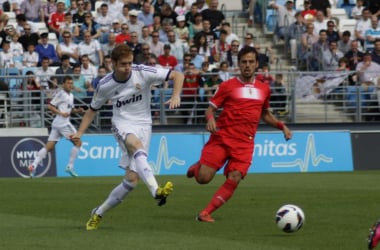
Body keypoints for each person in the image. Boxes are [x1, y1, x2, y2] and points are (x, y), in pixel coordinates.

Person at [71, 44, 184, 230]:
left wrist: (176, 95)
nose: (128, 67)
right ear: (113, 63)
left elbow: (177, 75)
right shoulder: (105, 85)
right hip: (121, 123)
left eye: (130, 63)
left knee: (131, 181)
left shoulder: (143, 72)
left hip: (144, 125)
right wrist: (79, 133)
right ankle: (156, 190)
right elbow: (92, 110)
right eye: (123, 64)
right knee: (136, 145)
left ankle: (98, 213)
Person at [186, 46, 292, 223]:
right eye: (244, 62)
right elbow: (210, 109)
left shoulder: (264, 89)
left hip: (245, 143)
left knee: (235, 177)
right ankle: (198, 167)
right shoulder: (227, 86)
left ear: (257, 64)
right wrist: (211, 118)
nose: (247, 65)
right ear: (239, 64)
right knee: (203, 179)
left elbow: (264, 113)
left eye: (251, 62)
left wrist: (282, 126)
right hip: (223, 138)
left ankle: (206, 212)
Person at [28, 75, 84, 178]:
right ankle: (70, 166)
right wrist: (61, 113)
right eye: (68, 83)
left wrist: (77, 111)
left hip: (58, 123)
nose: (70, 85)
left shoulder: (70, 96)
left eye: (72, 83)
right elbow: (50, 106)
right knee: (78, 142)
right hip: (63, 123)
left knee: (49, 147)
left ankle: (33, 165)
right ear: (63, 84)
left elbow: (69, 110)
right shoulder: (61, 94)